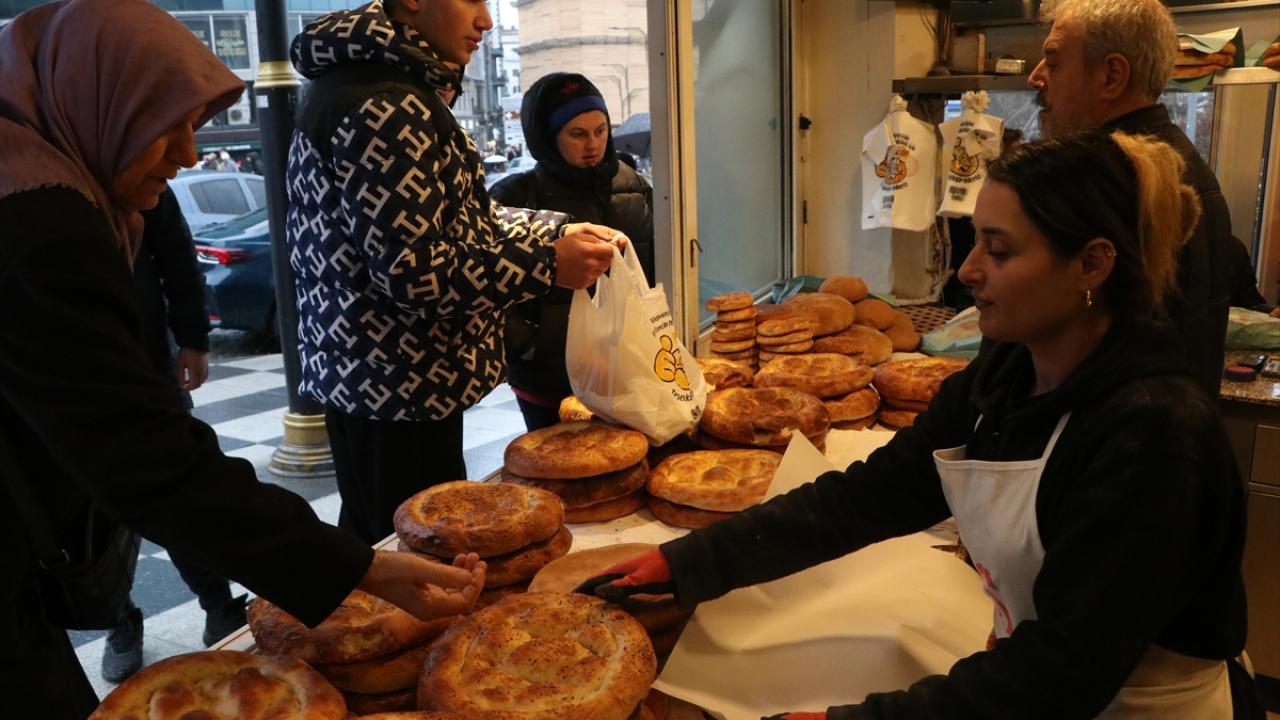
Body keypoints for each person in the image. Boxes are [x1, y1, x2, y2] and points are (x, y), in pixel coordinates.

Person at [581, 131, 1252, 718]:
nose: (968, 271)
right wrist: (688, 562)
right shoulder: (1003, 382)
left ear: (1093, 264)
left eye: (1000, 250)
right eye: (973, 243)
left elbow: (1065, 670)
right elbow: (865, 498)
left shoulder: (1155, 434)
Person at [0, 2, 483, 716]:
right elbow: (144, 458)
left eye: (196, 124)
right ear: (100, 96)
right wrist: (361, 568)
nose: (190, 153)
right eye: (169, 121)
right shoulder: (39, 221)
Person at [285, 0, 623, 545]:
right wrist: (546, 264)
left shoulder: (372, 84)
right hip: (397, 390)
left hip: (381, 383)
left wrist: (555, 232)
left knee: (388, 548)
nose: (486, 20)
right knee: (416, 563)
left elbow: (459, 220)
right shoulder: (387, 103)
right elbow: (413, 270)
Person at [1027, 0, 1244, 398]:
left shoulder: (1107, 182)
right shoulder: (1183, 162)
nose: (1035, 77)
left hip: (1114, 443)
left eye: (1053, 62)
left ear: (1111, 75)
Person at [98, 188, 249, 684]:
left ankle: (218, 604)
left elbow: (175, 250)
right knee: (91, 505)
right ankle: (118, 620)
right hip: (63, 363)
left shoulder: (128, 151)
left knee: (181, 485)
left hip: (148, 354)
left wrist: (192, 337)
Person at [490, 72, 656, 431]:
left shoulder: (634, 186)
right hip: (547, 379)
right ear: (548, 138)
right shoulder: (515, 199)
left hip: (627, 369)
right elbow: (494, 286)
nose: (593, 144)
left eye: (600, 130)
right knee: (554, 468)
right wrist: (529, 346)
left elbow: (657, 268)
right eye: (577, 134)